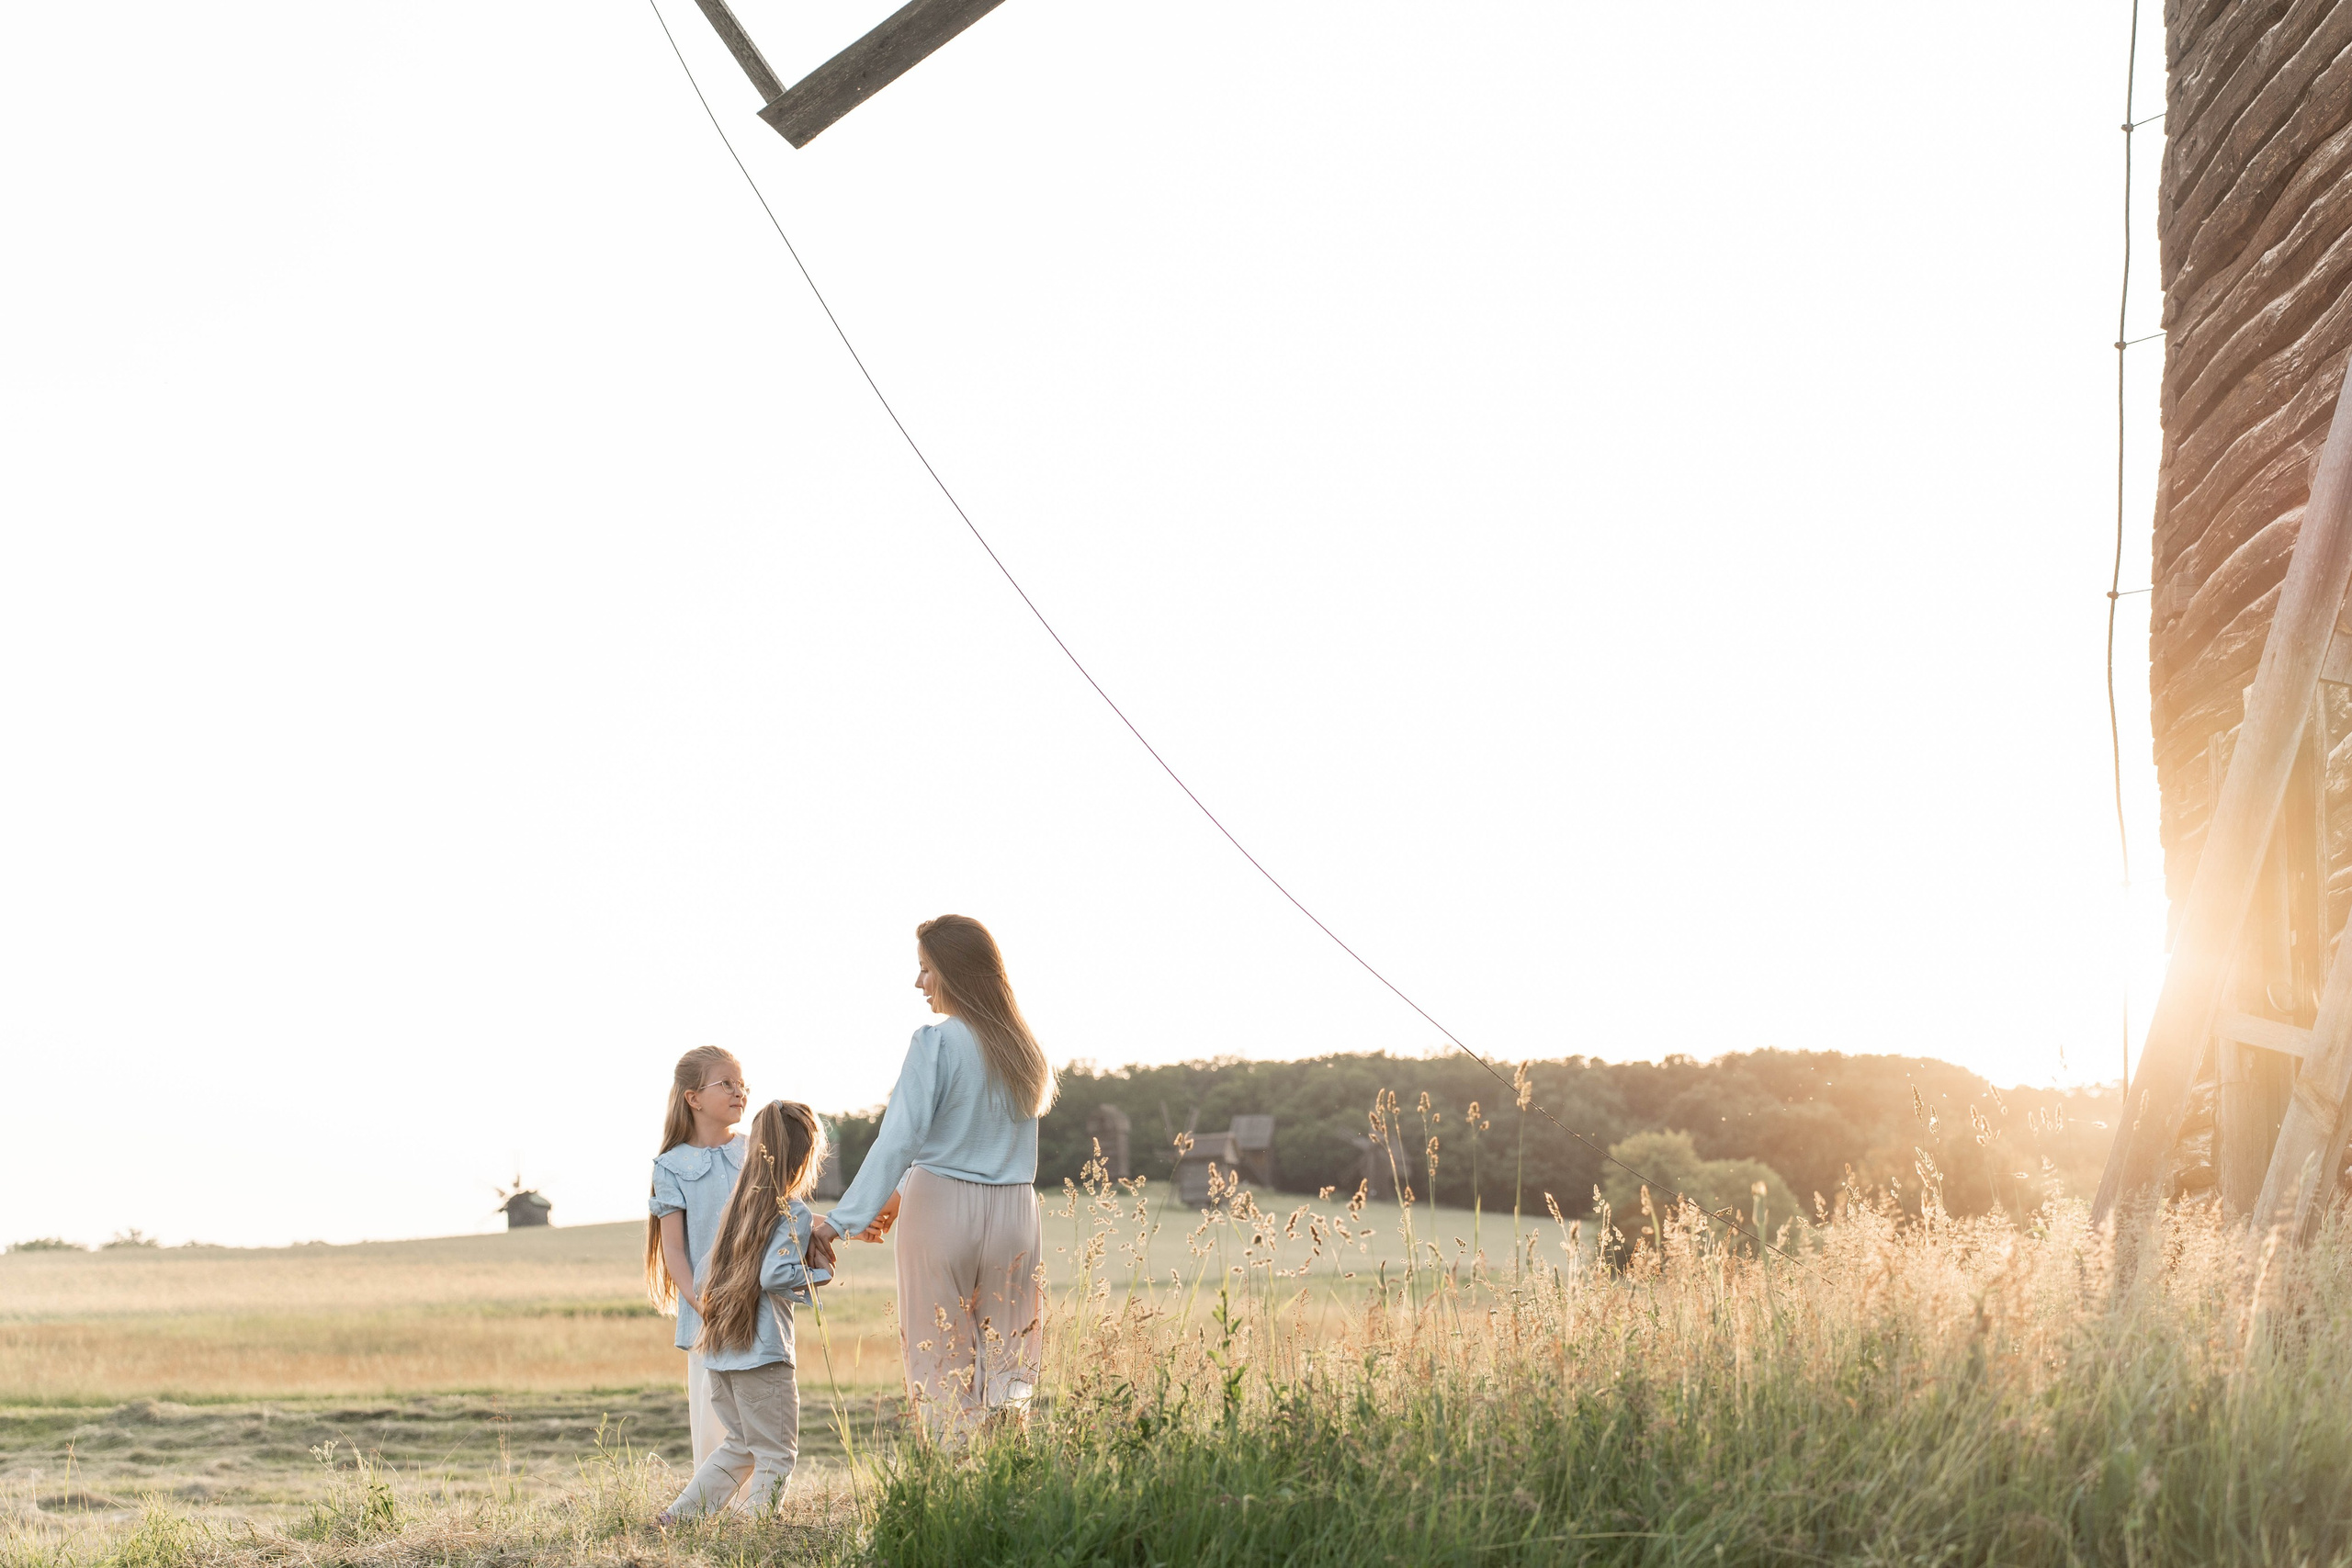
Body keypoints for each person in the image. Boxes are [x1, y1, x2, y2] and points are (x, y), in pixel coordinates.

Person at [808, 915, 1055, 1433]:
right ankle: (1012, 1484)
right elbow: (972, 1140)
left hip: (940, 1208)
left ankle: (954, 1489)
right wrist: (896, 1198)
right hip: (1016, 1211)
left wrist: (838, 1222)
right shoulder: (1026, 1049)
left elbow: (901, 1139)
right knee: (1010, 1365)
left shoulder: (936, 1042)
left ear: (953, 971)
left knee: (939, 1357)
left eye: (925, 969)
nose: (918, 983)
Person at [659, 1100, 831, 1522]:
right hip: (764, 1355)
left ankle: (677, 1519)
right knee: (776, 1452)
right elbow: (774, 1276)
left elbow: (702, 1272)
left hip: (721, 1352)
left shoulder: (735, 1208)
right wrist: (817, 1273)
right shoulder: (791, 1210)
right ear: (805, 1157)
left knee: (739, 1446)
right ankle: (758, 1531)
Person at [644, 1046, 747, 1472]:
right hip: (706, 1312)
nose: (739, 1092)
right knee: (714, 1415)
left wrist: (837, 1223)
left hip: (758, 1301)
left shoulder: (755, 1152)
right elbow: (673, 1249)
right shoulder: (670, 1166)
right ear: (694, 1097)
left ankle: (761, 1507)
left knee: (765, 1408)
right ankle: (715, 1510)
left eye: (742, 1084)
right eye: (727, 1083)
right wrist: (700, 1303)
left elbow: (784, 1212)